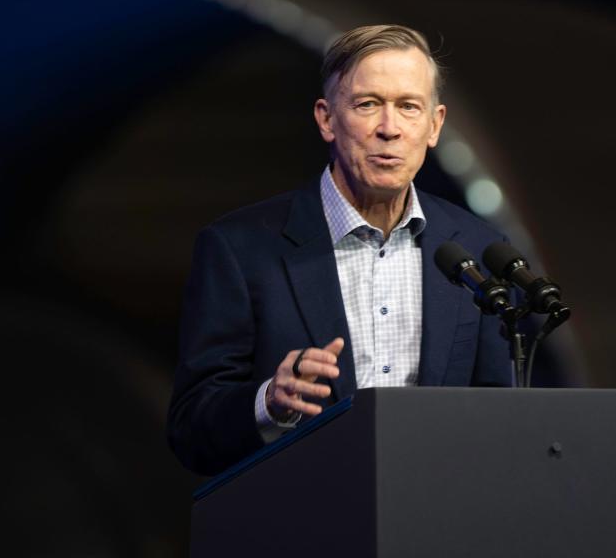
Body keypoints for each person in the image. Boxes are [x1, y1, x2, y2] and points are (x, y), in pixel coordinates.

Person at [167, 25, 513, 476]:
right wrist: (270, 403)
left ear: (434, 125)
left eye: (408, 107)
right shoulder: (239, 248)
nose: (389, 129)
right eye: (368, 104)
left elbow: (496, 417)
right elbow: (191, 429)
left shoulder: (481, 250)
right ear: (327, 119)